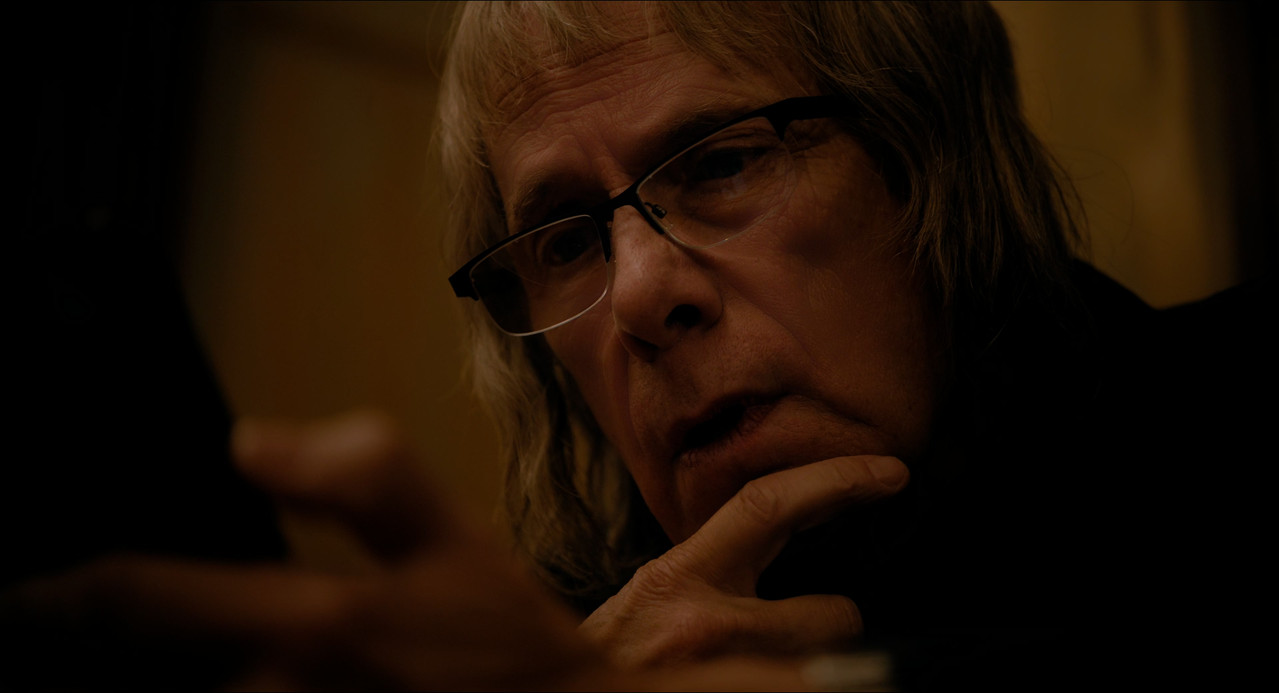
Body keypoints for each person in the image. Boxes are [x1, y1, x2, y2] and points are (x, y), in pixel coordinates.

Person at [3, 1, 1272, 690]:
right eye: (564, 238)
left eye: (721, 164)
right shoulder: (553, 656)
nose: (640, 292)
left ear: (928, 160)